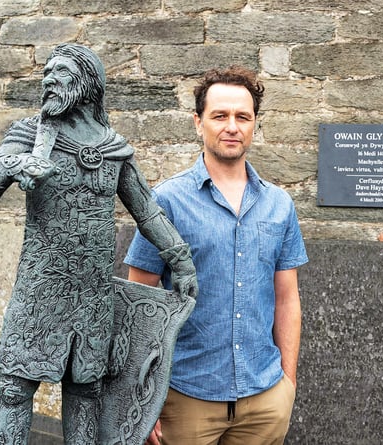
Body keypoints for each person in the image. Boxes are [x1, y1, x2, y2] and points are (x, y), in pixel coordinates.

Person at [0, 43, 197, 445]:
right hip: (39, 290)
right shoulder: (31, 134)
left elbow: (148, 212)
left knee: (86, 393)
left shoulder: (113, 149)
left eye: (60, 72)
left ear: (87, 84)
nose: (48, 80)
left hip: (93, 298)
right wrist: (12, 166)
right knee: (15, 390)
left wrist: (181, 260)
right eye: (46, 72)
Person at [125, 66, 309, 445]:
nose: (232, 126)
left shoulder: (279, 204)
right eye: (220, 116)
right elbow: (138, 299)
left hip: (264, 398)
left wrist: (287, 385)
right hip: (185, 397)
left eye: (242, 117)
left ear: (254, 124)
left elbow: (286, 298)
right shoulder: (167, 202)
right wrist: (141, 396)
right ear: (198, 123)